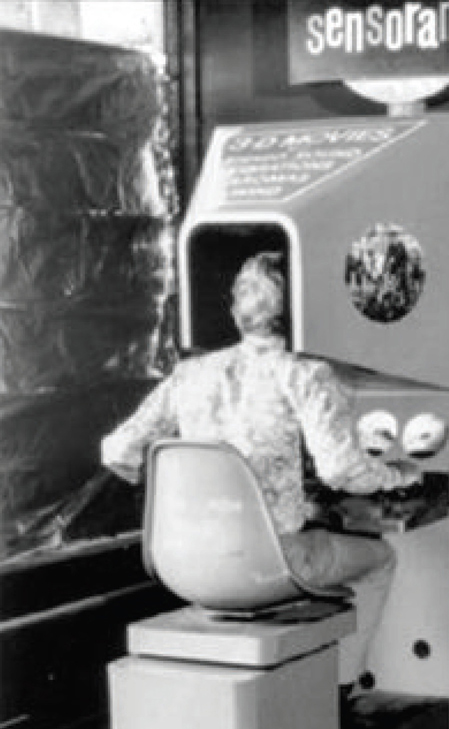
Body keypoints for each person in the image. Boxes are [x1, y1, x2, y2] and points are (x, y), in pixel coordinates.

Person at [101, 251, 419, 702]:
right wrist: (396, 475)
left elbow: (117, 450)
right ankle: (340, 691)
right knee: (381, 559)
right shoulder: (305, 373)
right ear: (303, 307)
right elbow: (341, 470)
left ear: (236, 311)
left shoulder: (189, 374)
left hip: (179, 564)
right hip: (267, 564)